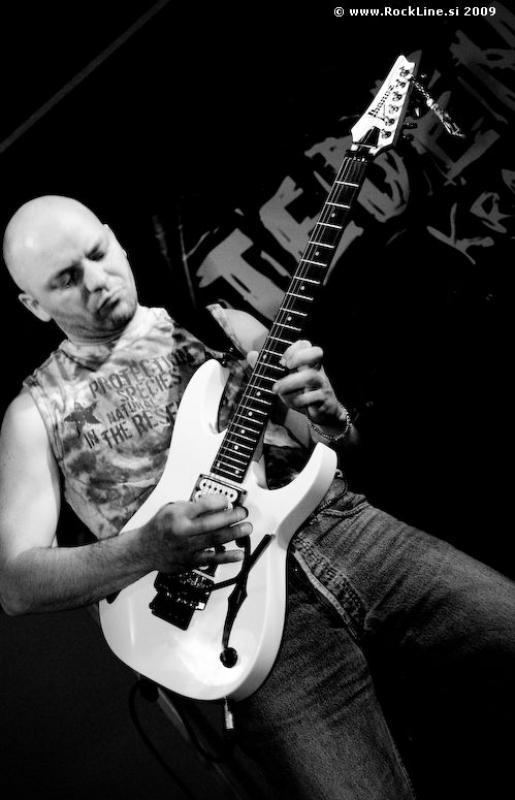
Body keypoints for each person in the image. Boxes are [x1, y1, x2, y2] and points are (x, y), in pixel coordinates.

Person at [0, 195, 513, 800]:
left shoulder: (223, 326)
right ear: (34, 305)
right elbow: (17, 584)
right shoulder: (36, 415)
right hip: (239, 624)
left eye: (98, 253)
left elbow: (343, 447)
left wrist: (330, 414)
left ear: (116, 239)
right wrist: (145, 548)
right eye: (66, 279)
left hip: (346, 531)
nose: (97, 281)